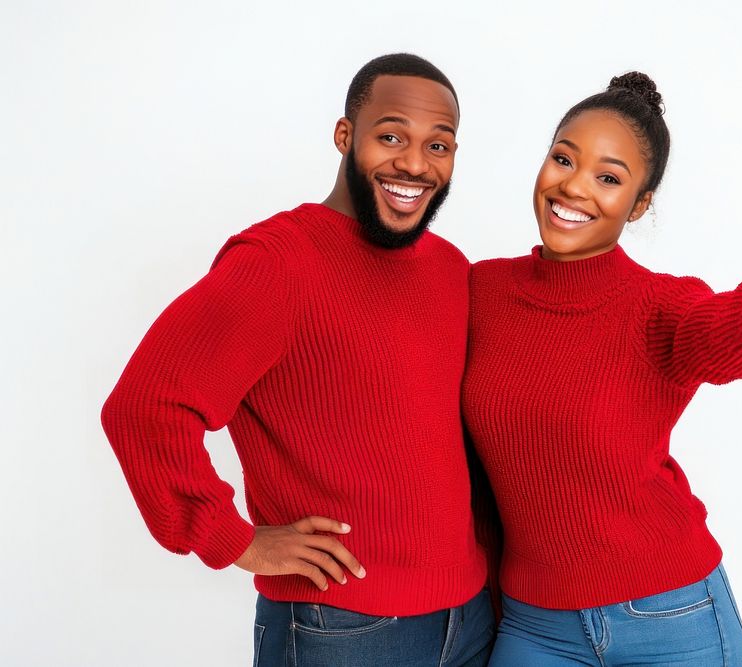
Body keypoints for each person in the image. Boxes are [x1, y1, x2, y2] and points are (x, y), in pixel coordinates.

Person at [461, 72, 742, 666]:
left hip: (669, 616)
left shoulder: (659, 307)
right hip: (535, 626)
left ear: (639, 205)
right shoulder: (481, 290)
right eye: (563, 159)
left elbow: (727, 335)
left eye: (609, 178)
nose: (575, 186)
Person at [102, 53, 497, 667]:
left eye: (439, 145)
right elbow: (143, 407)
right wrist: (232, 539)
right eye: (391, 136)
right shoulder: (277, 264)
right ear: (346, 137)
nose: (415, 165)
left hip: (472, 617)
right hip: (340, 629)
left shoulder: (450, 270)